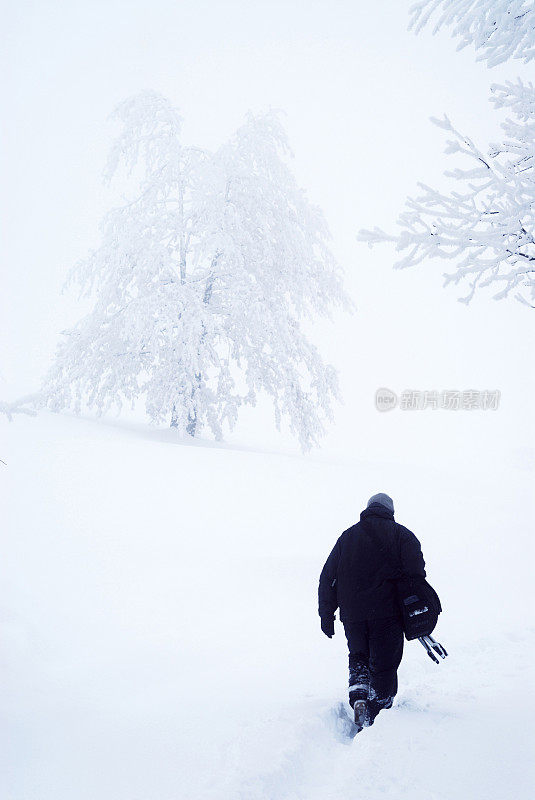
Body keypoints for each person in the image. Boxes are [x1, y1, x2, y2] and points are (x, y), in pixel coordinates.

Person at [318, 492, 426, 731]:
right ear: (391, 511)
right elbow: (417, 575)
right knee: (385, 664)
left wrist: (327, 614)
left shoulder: (347, 537)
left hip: (352, 615)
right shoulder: (402, 535)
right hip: (388, 614)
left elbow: (327, 577)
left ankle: (358, 696)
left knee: (359, 657)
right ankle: (377, 712)